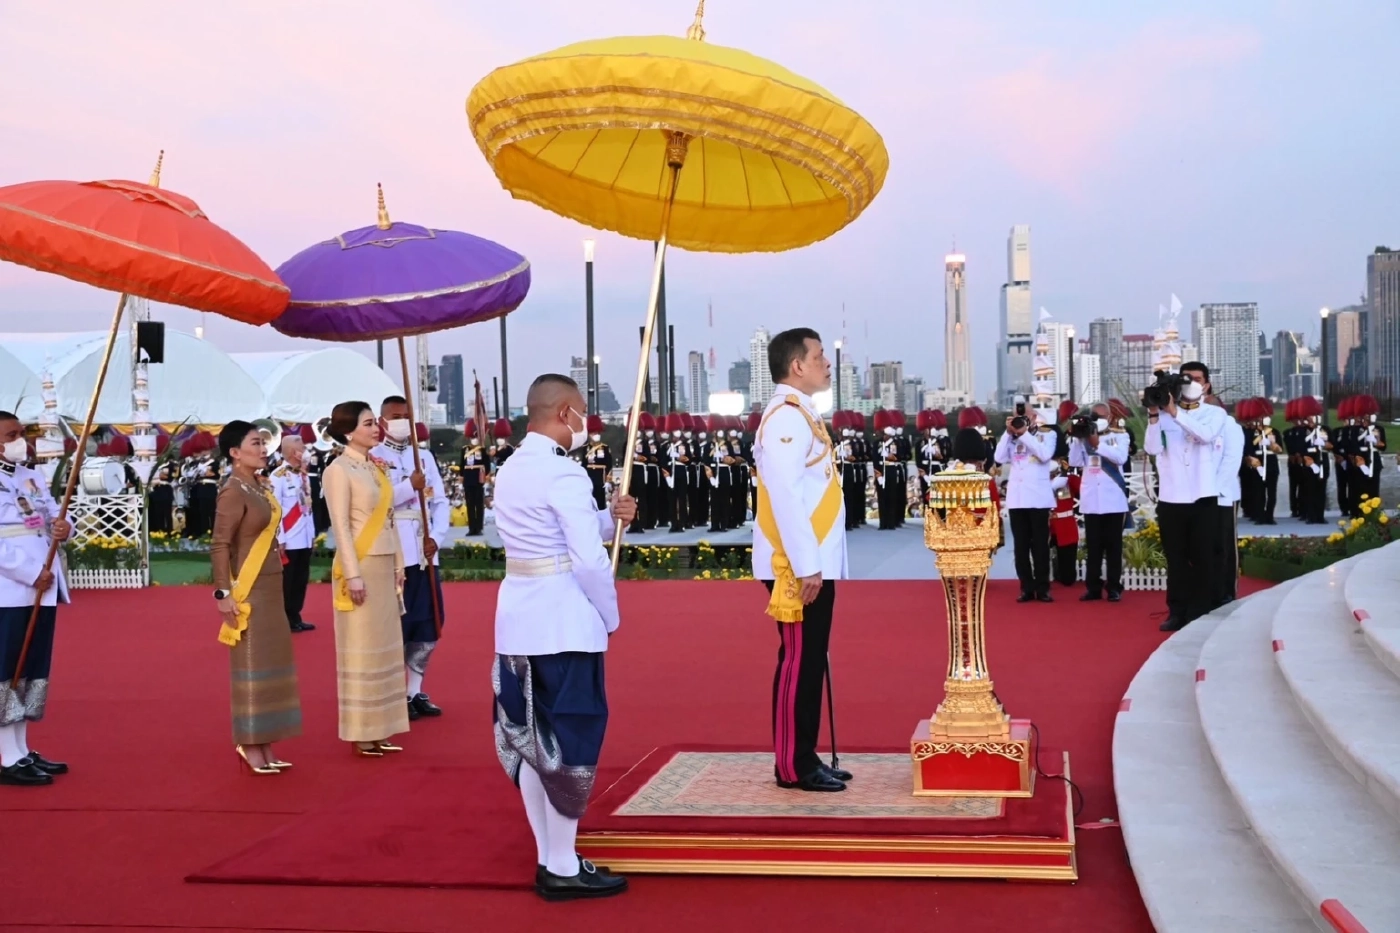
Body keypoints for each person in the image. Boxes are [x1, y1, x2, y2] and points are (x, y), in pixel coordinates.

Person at [492, 374, 636, 901]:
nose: (585, 425)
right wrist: (611, 614)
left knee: (530, 742)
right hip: (564, 622)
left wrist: (607, 518)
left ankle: (551, 855)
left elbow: (551, 533)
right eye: (582, 415)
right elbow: (587, 561)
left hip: (518, 620)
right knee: (569, 744)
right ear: (565, 413)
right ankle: (561, 864)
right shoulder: (564, 474)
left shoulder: (510, 468)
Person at [751, 328, 851, 793]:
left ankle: (805, 755)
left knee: (811, 660)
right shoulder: (786, 418)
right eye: (819, 356)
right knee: (798, 661)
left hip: (810, 562)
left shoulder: (802, 414)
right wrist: (808, 564)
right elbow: (787, 498)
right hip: (796, 567)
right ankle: (792, 764)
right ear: (797, 366)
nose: (827, 363)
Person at [211, 421, 303, 775]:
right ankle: (248, 742)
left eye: (264, 443)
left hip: (271, 584)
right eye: (255, 443)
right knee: (250, 663)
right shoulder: (233, 491)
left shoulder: (260, 486)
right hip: (247, 588)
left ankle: (265, 740)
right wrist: (223, 593)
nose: (264, 449)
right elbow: (220, 543)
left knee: (271, 662)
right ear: (235, 452)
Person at [322, 401, 409, 757]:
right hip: (359, 566)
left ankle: (383, 727)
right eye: (369, 423)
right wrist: (353, 575)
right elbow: (340, 525)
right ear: (347, 431)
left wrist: (399, 563)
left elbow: (390, 518)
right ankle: (361, 731)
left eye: (376, 423)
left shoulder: (376, 468)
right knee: (361, 650)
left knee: (386, 647)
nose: (377, 429)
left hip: (384, 561)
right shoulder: (339, 470)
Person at [0, 413, 73, 786]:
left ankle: (22, 750)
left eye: (21, 434)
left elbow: (51, 516)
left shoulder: (30, 476)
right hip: (10, 589)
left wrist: (64, 526)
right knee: (7, 673)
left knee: (30, 671)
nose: (21, 441)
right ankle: (7, 756)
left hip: (42, 587)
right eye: (11, 435)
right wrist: (30, 573)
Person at [373, 399, 451, 722]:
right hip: (395, 551)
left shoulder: (425, 455)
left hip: (424, 550)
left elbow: (441, 500)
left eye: (407, 417)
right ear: (382, 420)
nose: (402, 422)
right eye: (396, 417)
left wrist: (438, 537)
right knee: (399, 626)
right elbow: (377, 501)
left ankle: (414, 690)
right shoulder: (374, 457)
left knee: (429, 623)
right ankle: (393, 695)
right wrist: (409, 486)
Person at [1143, 362, 1228, 632]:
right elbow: (1152, 448)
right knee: (1176, 558)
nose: (1189, 383)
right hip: (1172, 497)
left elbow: (1204, 436)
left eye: (1195, 379)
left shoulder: (1214, 414)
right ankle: (1177, 611)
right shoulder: (1165, 416)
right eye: (1185, 378)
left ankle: (1200, 611)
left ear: (1205, 385)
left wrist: (1174, 412)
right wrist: (1154, 415)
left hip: (1203, 495)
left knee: (1203, 556)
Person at [1068, 404, 1130, 602]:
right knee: (1093, 547)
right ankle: (1093, 587)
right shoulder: (1083, 438)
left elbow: (1120, 458)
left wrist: (1097, 445)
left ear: (1110, 416)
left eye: (1100, 415)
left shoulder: (1120, 435)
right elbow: (1075, 462)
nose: (1097, 418)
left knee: (1113, 547)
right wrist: (1078, 440)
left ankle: (1114, 587)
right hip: (1092, 500)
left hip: (1113, 499)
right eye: (1093, 415)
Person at [994, 407, 1057, 603]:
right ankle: (1026, 588)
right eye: (1018, 417)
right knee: (1020, 547)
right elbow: (999, 457)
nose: (1021, 420)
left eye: (1025, 417)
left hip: (1037, 499)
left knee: (1040, 546)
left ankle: (1043, 588)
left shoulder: (1048, 435)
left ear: (1034, 418)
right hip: (1017, 499)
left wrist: (1025, 433)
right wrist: (1008, 432)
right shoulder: (1011, 438)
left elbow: (1045, 455)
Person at [270, 435, 316, 634]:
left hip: (304, 536)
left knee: (300, 579)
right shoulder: (277, 476)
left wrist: (312, 535)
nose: (304, 450)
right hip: (288, 539)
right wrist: (280, 539)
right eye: (301, 447)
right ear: (290, 452)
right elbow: (275, 509)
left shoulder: (303, 474)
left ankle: (295, 616)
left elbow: (307, 507)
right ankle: (283, 618)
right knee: (287, 581)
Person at [1210, 398, 1246, 609]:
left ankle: (1227, 591)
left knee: (1225, 544)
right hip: (1201, 495)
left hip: (1224, 495)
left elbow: (1232, 460)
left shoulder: (1230, 427)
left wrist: (1215, 488)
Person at [459, 422, 489, 536]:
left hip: (478, 478)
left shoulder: (482, 449)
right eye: (472, 437)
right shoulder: (465, 449)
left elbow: (486, 464)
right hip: (468, 479)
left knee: (479, 505)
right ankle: (472, 528)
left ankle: (479, 527)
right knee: (470, 505)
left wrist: (484, 475)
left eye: (475, 437)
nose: (473, 439)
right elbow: (462, 464)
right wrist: (461, 476)